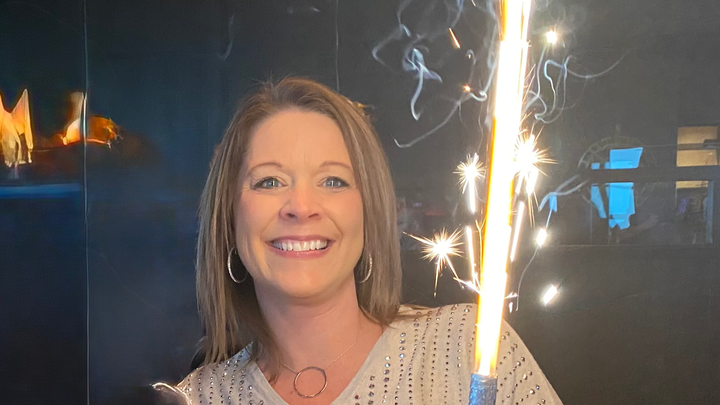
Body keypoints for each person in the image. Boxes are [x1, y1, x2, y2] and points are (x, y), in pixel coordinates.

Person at [171, 77, 563, 405]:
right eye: (269, 181)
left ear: (368, 212)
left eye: (333, 181)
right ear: (229, 215)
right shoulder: (199, 398)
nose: (301, 207)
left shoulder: (469, 348)